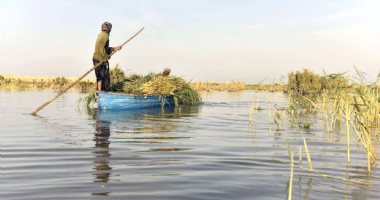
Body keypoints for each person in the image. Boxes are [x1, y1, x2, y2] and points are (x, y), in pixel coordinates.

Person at [93, 22, 122, 91]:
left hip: (96, 59)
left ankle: (99, 93)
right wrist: (106, 57)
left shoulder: (101, 35)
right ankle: (104, 94)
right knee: (105, 78)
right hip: (100, 60)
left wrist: (114, 49)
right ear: (108, 29)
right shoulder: (105, 36)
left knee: (99, 77)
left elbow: (105, 48)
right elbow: (100, 47)